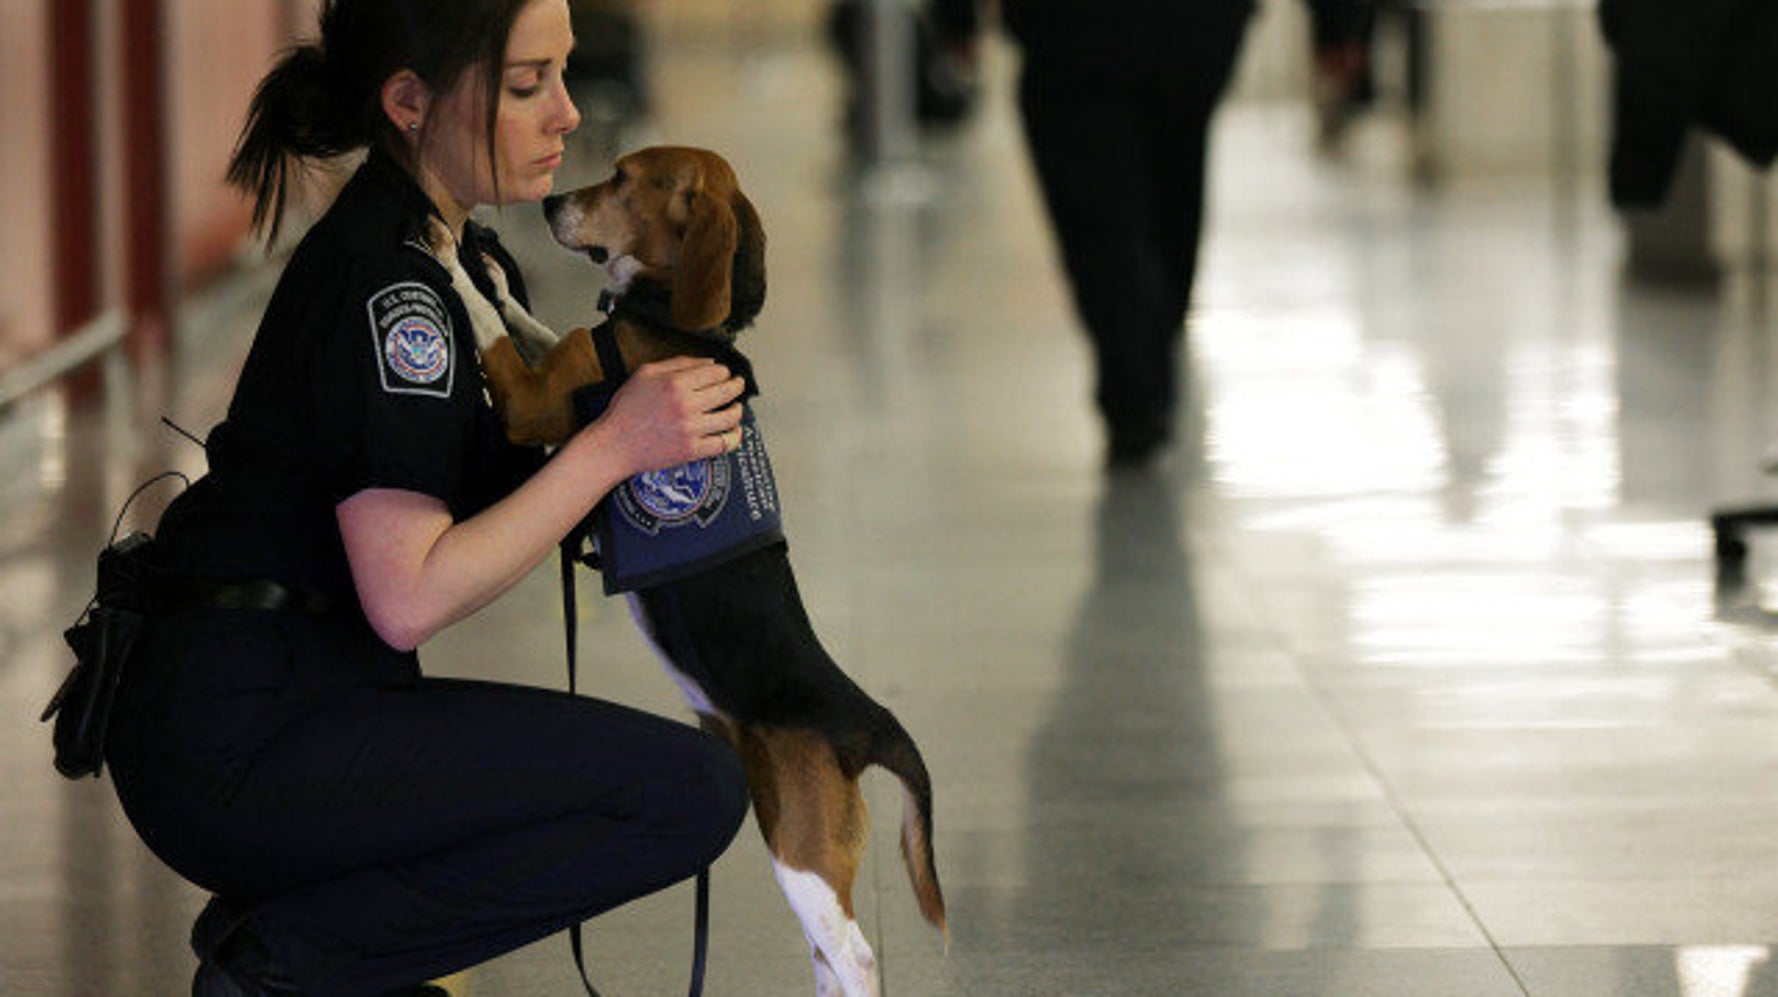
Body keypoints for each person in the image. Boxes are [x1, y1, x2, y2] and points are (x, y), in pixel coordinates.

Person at [103, 1, 751, 993]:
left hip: (304, 702)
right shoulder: (389, 291)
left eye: (563, 75)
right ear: (408, 101)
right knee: (682, 791)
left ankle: (303, 922)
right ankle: (283, 961)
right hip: (238, 741)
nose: (567, 115)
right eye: (528, 84)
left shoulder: (460, 258)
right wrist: (615, 446)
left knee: (673, 775)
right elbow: (407, 596)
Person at [994, 0, 1255, 467]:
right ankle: (1145, 359)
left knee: (1100, 223)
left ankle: (1134, 374)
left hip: (1075, 37)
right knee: (1169, 197)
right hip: (1187, 33)